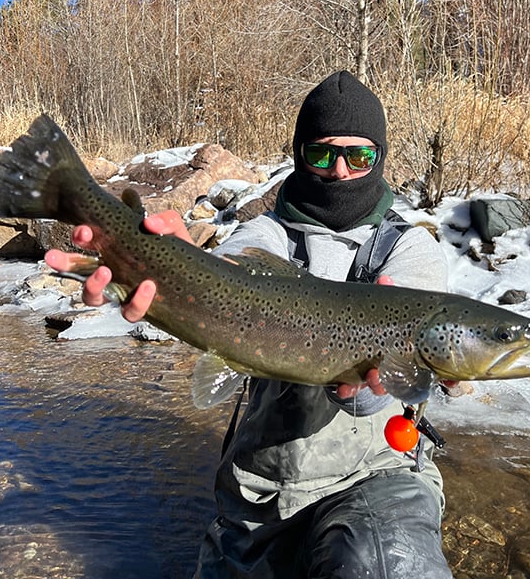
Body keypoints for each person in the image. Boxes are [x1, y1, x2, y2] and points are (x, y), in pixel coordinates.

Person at [46, 71, 453, 579]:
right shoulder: (264, 235)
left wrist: (369, 377)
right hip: (262, 483)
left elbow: (376, 397)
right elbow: (225, 284)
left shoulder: (411, 250)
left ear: (380, 159)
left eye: (360, 155)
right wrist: (172, 263)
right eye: (322, 154)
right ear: (300, 155)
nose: (341, 171)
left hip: (375, 478)